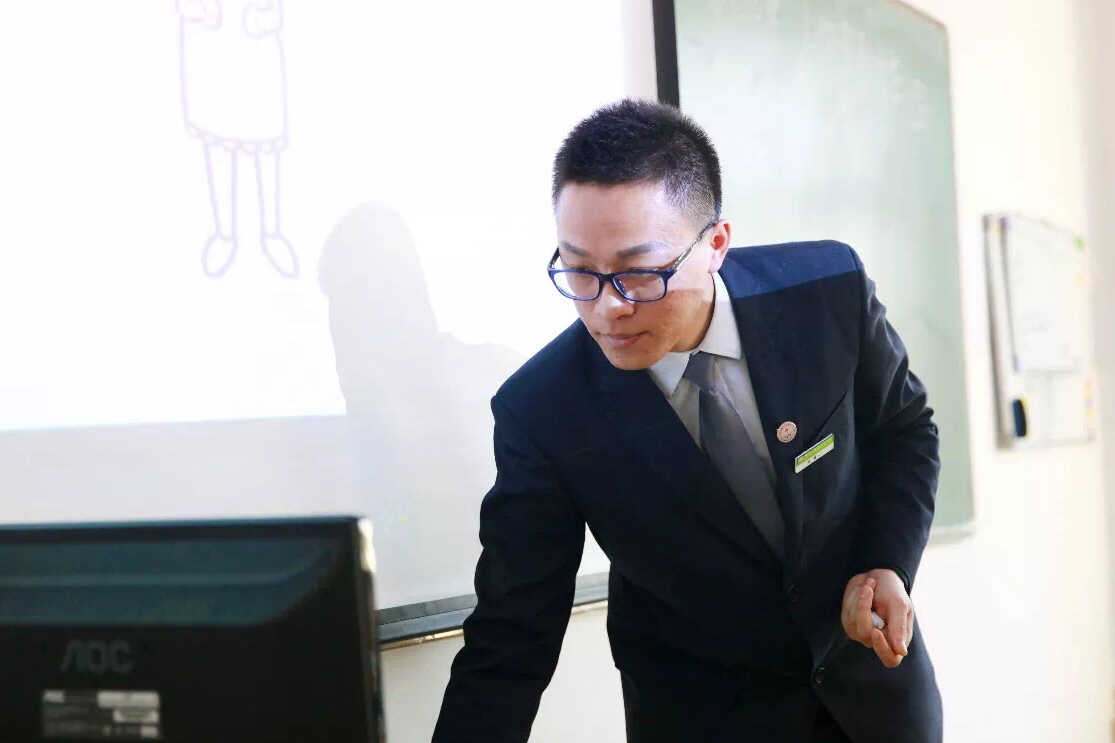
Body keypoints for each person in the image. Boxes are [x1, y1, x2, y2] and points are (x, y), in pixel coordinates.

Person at [433, 99, 941, 743]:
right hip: (703, 716)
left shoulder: (825, 292)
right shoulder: (544, 409)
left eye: (638, 273)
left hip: (874, 700)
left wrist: (885, 563)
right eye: (580, 271)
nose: (608, 308)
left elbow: (904, 430)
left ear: (716, 245)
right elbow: (512, 632)